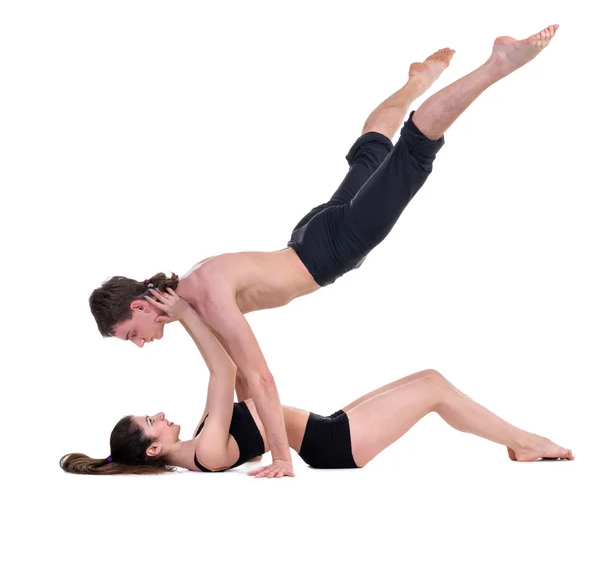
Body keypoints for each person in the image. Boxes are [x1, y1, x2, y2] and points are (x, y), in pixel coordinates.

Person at [89, 25, 560, 478]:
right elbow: (236, 379)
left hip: (330, 250)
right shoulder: (195, 288)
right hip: (309, 237)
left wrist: (281, 457)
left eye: (132, 333)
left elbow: (257, 378)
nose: (141, 343)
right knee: (371, 154)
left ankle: (496, 65)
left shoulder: (206, 298)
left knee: (413, 153)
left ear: (138, 305)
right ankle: (417, 80)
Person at [67, 289, 573, 476]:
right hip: (336, 446)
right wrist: (187, 317)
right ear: (153, 450)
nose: (159, 414)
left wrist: (197, 310)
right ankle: (527, 443)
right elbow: (222, 372)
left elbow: (235, 375)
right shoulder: (205, 452)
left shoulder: (203, 438)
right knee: (435, 390)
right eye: (151, 422)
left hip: (329, 427)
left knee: (429, 378)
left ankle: (521, 442)